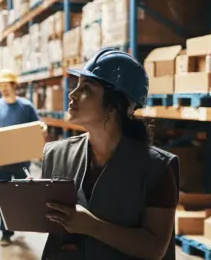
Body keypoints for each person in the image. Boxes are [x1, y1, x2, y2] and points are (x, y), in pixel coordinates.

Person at [40, 49, 179, 259]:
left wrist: (92, 226)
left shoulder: (156, 169)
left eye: (86, 88)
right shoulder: (55, 155)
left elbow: (154, 248)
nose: (72, 94)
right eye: (77, 85)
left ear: (115, 105)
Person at [0, 69, 46, 246]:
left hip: (21, 161)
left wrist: (42, 129)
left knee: (21, 195)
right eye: (0, 85)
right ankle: (5, 231)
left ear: (15, 86)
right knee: (2, 196)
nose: (3, 89)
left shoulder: (26, 106)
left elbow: (36, 127)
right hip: (1, 161)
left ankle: (19, 222)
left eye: (6, 85)